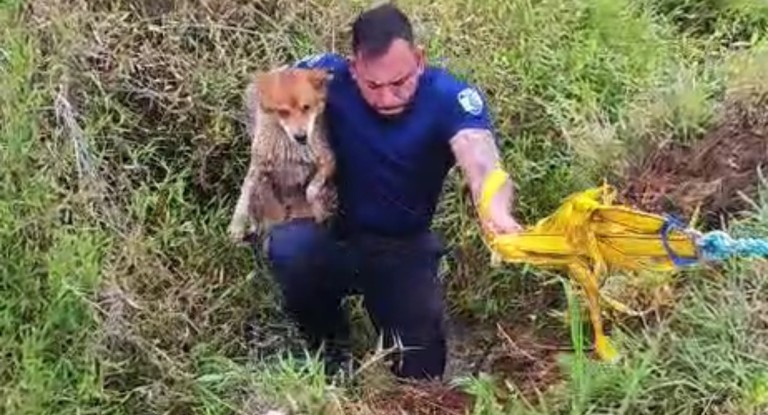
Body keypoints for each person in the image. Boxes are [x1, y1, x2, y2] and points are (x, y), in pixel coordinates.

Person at [255, 3, 522, 381]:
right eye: (373, 85)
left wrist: (495, 211)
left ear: (419, 59)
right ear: (353, 68)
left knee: (421, 374)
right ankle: (331, 347)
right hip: (334, 236)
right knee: (290, 247)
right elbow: (268, 93)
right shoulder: (328, 77)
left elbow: (481, 160)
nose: (387, 98)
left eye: (400, 83)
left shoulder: (449, 97)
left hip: (401, 246)